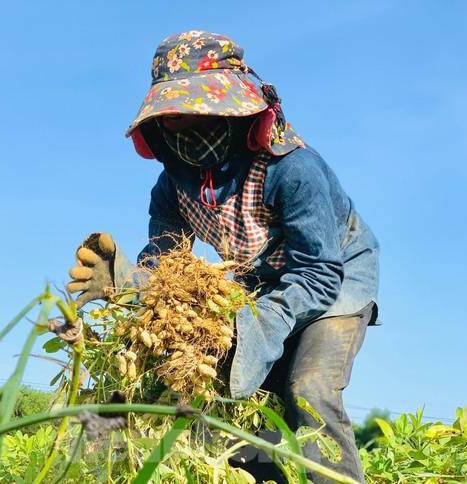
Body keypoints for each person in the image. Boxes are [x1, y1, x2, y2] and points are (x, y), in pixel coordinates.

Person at [66, 30, 379, 483]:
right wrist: (127, 282)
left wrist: (261, 327)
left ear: (238, 111)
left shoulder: (292, 169)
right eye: (175, 118)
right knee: (229, 394)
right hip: (260, 280)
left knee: (308, 388)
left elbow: (317, 272)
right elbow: (164, 263)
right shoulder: (172, 186)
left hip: (335, 278)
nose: (189, 127)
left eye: (203, 112)